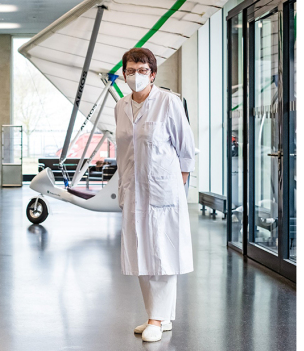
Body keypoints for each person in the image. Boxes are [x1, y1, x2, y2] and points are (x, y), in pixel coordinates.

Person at [114, 48, 196, 342]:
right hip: (133, 190)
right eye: (131, 70)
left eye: (143, 70)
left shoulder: (168, 103)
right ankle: (160, 315)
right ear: (124, 74)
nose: (137, 75)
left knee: (162, 253)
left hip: (164, 192)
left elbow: (186, 151)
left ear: (153, 73)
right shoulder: (120, 106)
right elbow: (123, 151)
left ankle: (156, 319)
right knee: (141, 253)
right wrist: (123, 187)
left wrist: (177, 188)